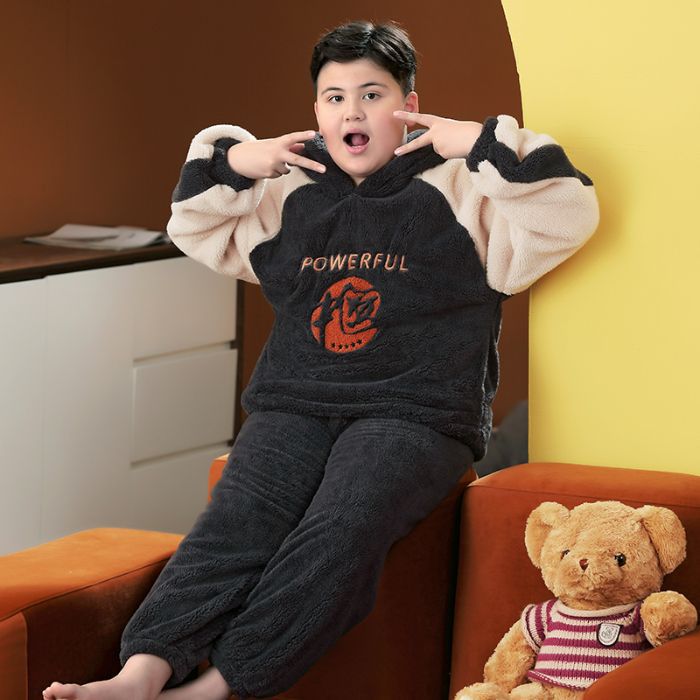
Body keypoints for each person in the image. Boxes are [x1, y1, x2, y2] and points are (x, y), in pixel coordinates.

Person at [43, 19, 599, 700]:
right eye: (335, 98)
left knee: (341, 529)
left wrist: (480, 142)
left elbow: (569, 210)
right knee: (230, 525)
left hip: (416, 412)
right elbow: (193, 224)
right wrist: (237, 160)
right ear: (316, 112)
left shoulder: (464, 190)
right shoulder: (293, 191)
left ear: (409, 105)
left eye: (372, 94)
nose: (351, 112)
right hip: (294, 402)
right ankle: (141, 673)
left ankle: (217, 688)